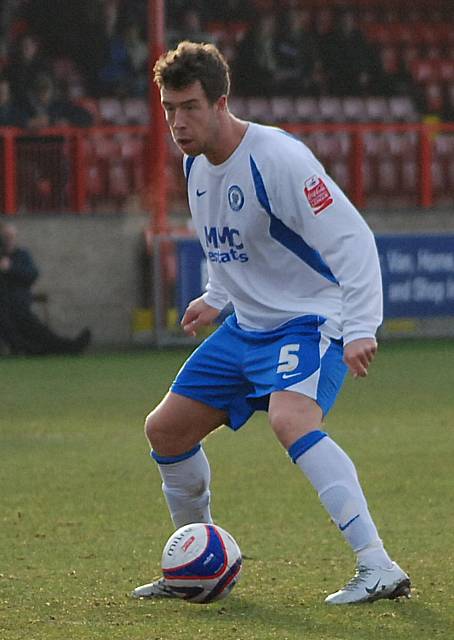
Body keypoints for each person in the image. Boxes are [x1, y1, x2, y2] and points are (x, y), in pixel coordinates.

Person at [132, 41, 411, 605]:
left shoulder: (278, 159)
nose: (178, 122)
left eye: (189, 107)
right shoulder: (196, 166)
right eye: (168, 109)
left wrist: (361, 325)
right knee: (166, 430)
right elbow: (223, 240)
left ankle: (378, 566)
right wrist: (216, 296)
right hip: (248, 328)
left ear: (221, 102)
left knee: (291, 419)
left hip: (309, 321)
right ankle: (195, 559)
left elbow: (352, 238)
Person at [0, 221, 91, 356]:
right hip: (4, 304)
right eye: (6, 237)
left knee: (33, 326)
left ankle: (66, 346)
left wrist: (10, 269)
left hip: (19, 302)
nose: (9, 240)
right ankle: (30, 349)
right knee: (8, 320)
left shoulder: (22, 254)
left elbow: (32, 274)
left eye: (12, 236)